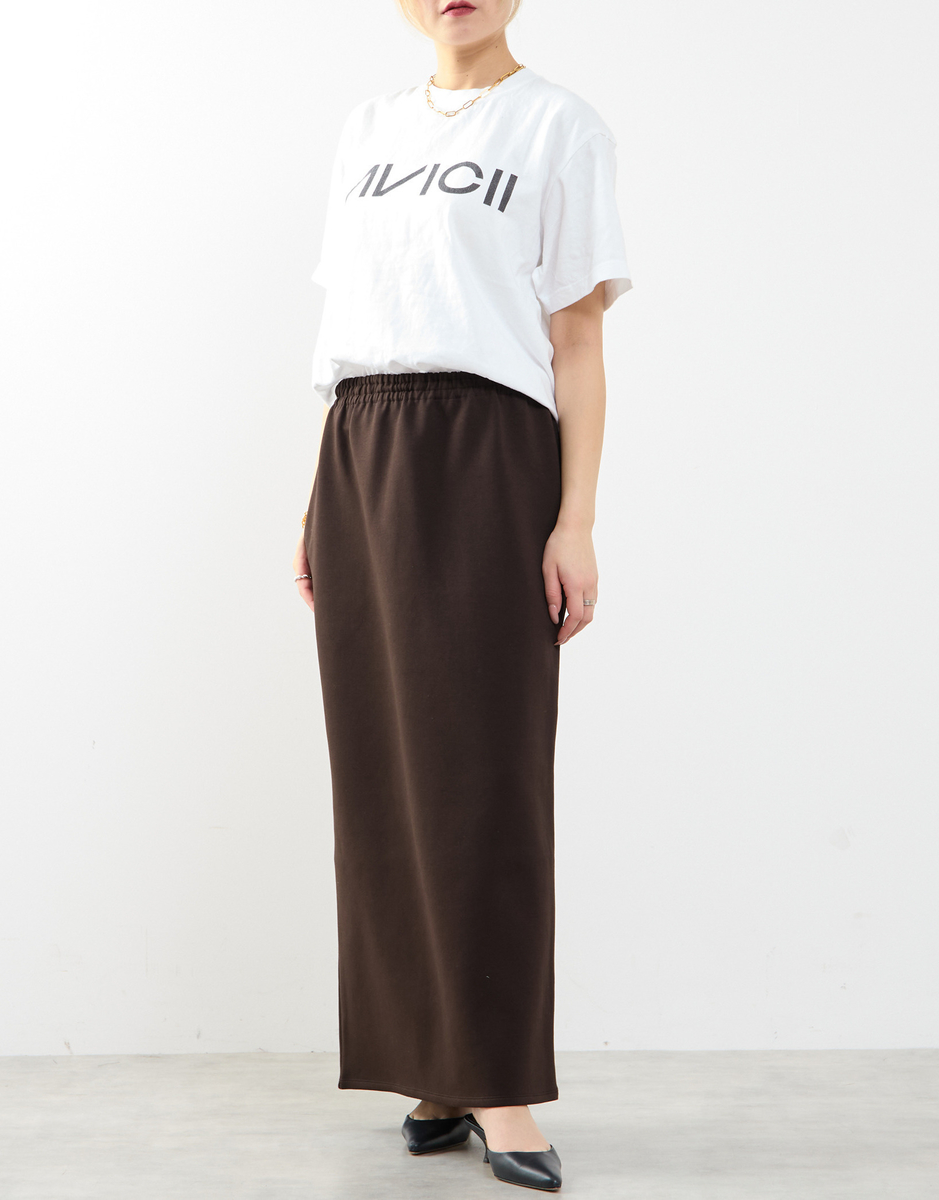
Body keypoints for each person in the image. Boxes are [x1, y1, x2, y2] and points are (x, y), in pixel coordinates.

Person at [293, 0, 632, 1190]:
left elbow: (577, 340)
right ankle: (429, 1063)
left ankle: (498, 1080)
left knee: (484, 772)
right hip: (363, 446)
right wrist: (316, 497)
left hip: (488, 449)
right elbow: (350, 324)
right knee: (384, 773)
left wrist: (575, 519)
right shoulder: (367, 129)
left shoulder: (558, 126)